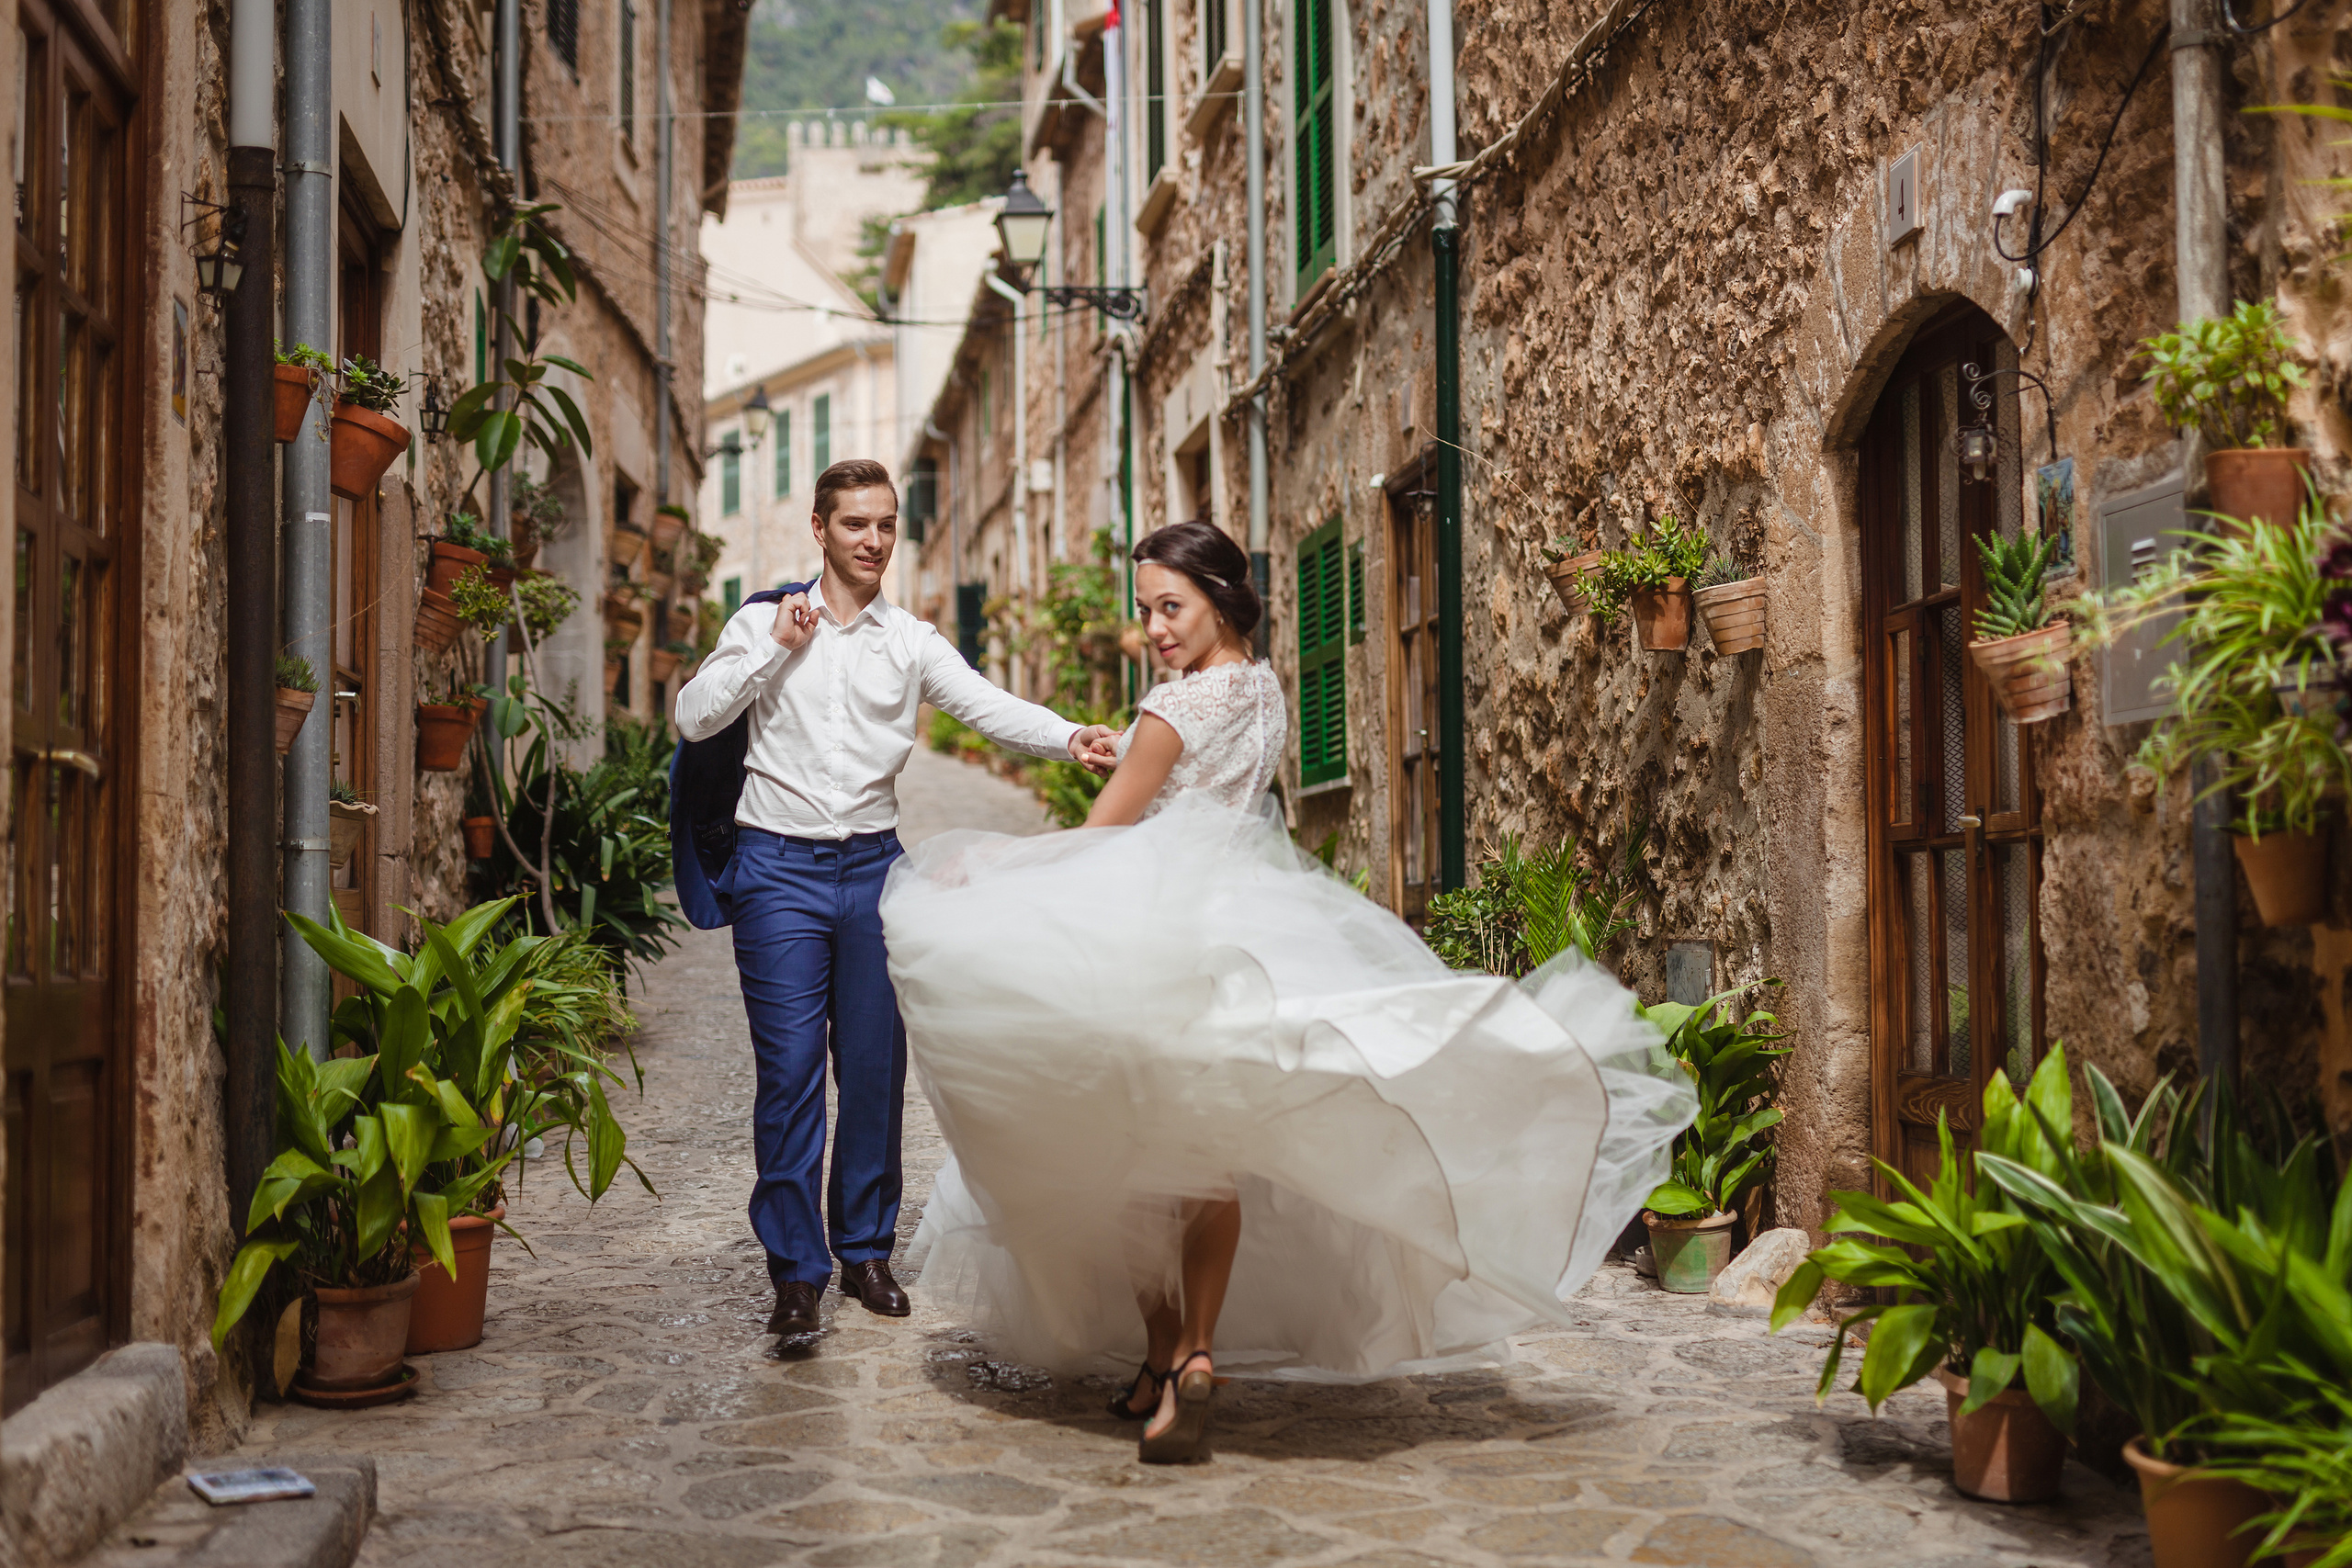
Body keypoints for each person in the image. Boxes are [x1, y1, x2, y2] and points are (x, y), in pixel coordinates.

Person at [880, 520, 1694, 1464]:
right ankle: (1187, 1359)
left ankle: (1161, 1354)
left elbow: (1101, 833)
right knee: (1209, 1152)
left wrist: (983, 868)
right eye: (1145, 612)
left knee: (1123, 1146)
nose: (1154, 629)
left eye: (1170, 608)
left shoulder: (1171, 709)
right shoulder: (1262, 690)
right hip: (1246, 919)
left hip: (1150, 932)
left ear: (1220, 598)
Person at [672, 457, 1117, 1338]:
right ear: (819, 529)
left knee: (875, 1071)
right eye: (855, 525)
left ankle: (864, 1250)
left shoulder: (909, 641)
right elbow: (695, 717)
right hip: (778, 874)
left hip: (876, 872)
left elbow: (987, 706)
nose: (873, 541)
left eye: (884, 526)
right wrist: (775, 647)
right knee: (790, 1076)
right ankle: (796, 1273)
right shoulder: (763, 621)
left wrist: (1072, 737)